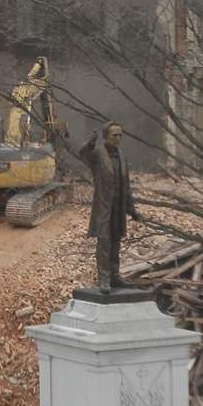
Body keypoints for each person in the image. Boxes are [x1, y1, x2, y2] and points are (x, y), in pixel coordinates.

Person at [78, 121, 141, 293]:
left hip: (118, 207)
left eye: (120, 135)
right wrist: (90, 142)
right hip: (104, 207)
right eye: (115, 135)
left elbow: (126, 185)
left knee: (116, 241)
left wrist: (132, 209)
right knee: (104, 242)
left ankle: (115, 276)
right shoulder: (98, 154)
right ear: (106, 137)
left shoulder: (122, 155)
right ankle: (104, 278)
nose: (118, 138)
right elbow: (83, 153)